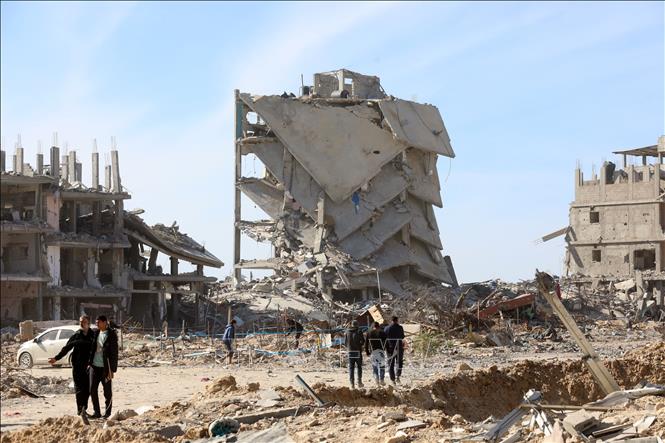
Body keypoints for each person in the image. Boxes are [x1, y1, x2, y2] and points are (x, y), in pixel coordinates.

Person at [48, 315, 95, 422]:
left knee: (88, 389)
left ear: (88, 323)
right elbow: (67, 348)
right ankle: (80, 410)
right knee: (79, 389)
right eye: (80, 321)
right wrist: (56, 358)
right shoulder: (76, 335)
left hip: (89, 366)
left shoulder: (93, 335)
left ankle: (84, 408)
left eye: (84, 322)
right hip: (77, 366)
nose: (82, 323)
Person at [88, 315, 118, 419]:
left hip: (106, 367)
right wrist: (89, 362)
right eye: (96, 323)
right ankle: (97, 412)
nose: (97, 324)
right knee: (92, 389)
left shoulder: (111, 334)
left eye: (98, 323)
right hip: (94, 367)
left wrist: (112, 370)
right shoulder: (96, 333)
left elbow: (114, 353)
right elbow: (91, 348)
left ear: (105, 322)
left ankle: (108, 413)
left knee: (107, 392)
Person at [365, 321, 387, 386]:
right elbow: (386, 342)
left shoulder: (369, 333)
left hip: (373, 352)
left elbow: (366, 343)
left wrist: (367, 352)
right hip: (381, 351)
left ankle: (376, 379)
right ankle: (382, 380)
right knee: (382, 366)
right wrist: (387, 349)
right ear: (378, 326)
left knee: (375, 366)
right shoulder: (382, 332)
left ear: (373, 326)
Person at [384, 316, 405, 385]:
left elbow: (384, 337)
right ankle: (398, 376)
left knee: (391, 364)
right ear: (397, 320)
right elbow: (402, 336)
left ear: (391, 320)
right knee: (399, 362)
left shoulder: (387, 328)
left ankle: (392, 379)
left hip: (390, 348)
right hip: (398, 347)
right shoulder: (400, 328)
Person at [345, 320, 364, 388]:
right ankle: (359, 382)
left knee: (351, 368)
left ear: (352, 325)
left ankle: (352, 384)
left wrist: (349, 348)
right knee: (359, 367)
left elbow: (345, 343)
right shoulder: (359, 331)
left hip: (350, 352)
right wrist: (359, 345)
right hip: (357, 352)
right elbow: (363, 341)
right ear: (357, 325)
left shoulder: (347, 332)